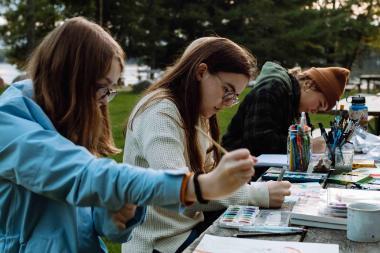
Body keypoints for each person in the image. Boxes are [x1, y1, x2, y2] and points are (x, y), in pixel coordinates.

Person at [0, 18, 256, 253]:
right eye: (103, 88)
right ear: (70, 79)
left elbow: (92, 221)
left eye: (110, 91)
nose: (103, 104)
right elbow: (84, 177)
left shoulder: (62, 121)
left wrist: (116, 217)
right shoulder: (9, 128)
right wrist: (198, 187)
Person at [121, 37, 291, 253]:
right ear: (201, 72)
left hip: (187, 231)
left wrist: (230, 178)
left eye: (235, 96)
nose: (228, 103)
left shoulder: (197, 112)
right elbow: (180, 192)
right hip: (159, 244)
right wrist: (256, 194)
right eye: (227, 90)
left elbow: (207, 179)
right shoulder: (160, 112)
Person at [222, 61, 349, 159]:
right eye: (320, 104)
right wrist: (307, 145)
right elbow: (260, 141)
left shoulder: (294, 100)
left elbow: (300, 133)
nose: (315, 111)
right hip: (237, 170)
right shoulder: (272, 89)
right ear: (308, 85)